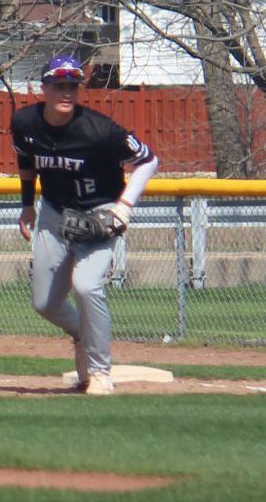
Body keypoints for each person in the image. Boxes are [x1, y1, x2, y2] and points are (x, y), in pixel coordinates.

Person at [13, 52, 159, 396]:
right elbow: (26, 164)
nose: (67, 92)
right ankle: (85, 332)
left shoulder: (99, 131)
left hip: (99, 214)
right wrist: (26, 206)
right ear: (44, 88)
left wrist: (125, 206)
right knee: (45, 304)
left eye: (73, 86)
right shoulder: (25, 123)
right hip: (53, 212)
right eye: (59, 85)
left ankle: (100, 372)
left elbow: (149, 161)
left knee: (86, 285)